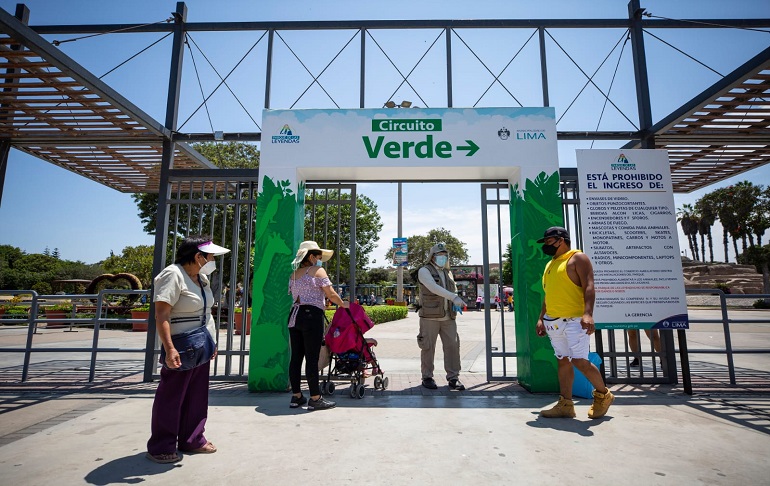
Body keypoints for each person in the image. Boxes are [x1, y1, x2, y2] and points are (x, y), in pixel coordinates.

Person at [146, 235, 230, 464]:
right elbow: (161, 314)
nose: (213, 259)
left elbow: (206, 313)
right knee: (171, 396)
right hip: (181, 345)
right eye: (210, 256)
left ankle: (192, 439)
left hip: (200, 345)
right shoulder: (173, 275)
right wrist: (169, 348)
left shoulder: (201, 278)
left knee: (196, 396)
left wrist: (211, 342)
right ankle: (161, 445)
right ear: (198, 256)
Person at [534, 226, 614, 419]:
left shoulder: (578, 258)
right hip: (553, 320)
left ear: (561, 240)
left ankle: (603, 394)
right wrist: (540, 318)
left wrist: (588, 314)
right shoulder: (551, 264)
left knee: (579, 361)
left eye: (549, 241)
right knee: (562, 360)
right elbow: (549, 294)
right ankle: (566, 404)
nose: (546, 245)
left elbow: (589, 285)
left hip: (574, 320)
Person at [288, 240, 349, 410]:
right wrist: (344, 305)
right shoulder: (318, 271)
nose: (320, 259)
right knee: (312, 358)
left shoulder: (293, 273)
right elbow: (330, 293)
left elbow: (294, 295)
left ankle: (296, 396)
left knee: (296, 358)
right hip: (311, 316)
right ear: (311, 256)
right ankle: (315, 398)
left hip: (294, 316)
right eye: (319, 256)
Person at [416, 242, 465, 390]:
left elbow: (454, 289)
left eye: (445, 256)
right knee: (428, 348)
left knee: (453, 347)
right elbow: (433, 287)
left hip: (448, 317)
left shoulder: (448, 272)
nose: (442, 258)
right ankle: (427, 377)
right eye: (439, 255)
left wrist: (455, 300)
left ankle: (453, 377)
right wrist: (453, 297)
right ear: (432, 257)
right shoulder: (424, 271)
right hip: (429, 317)